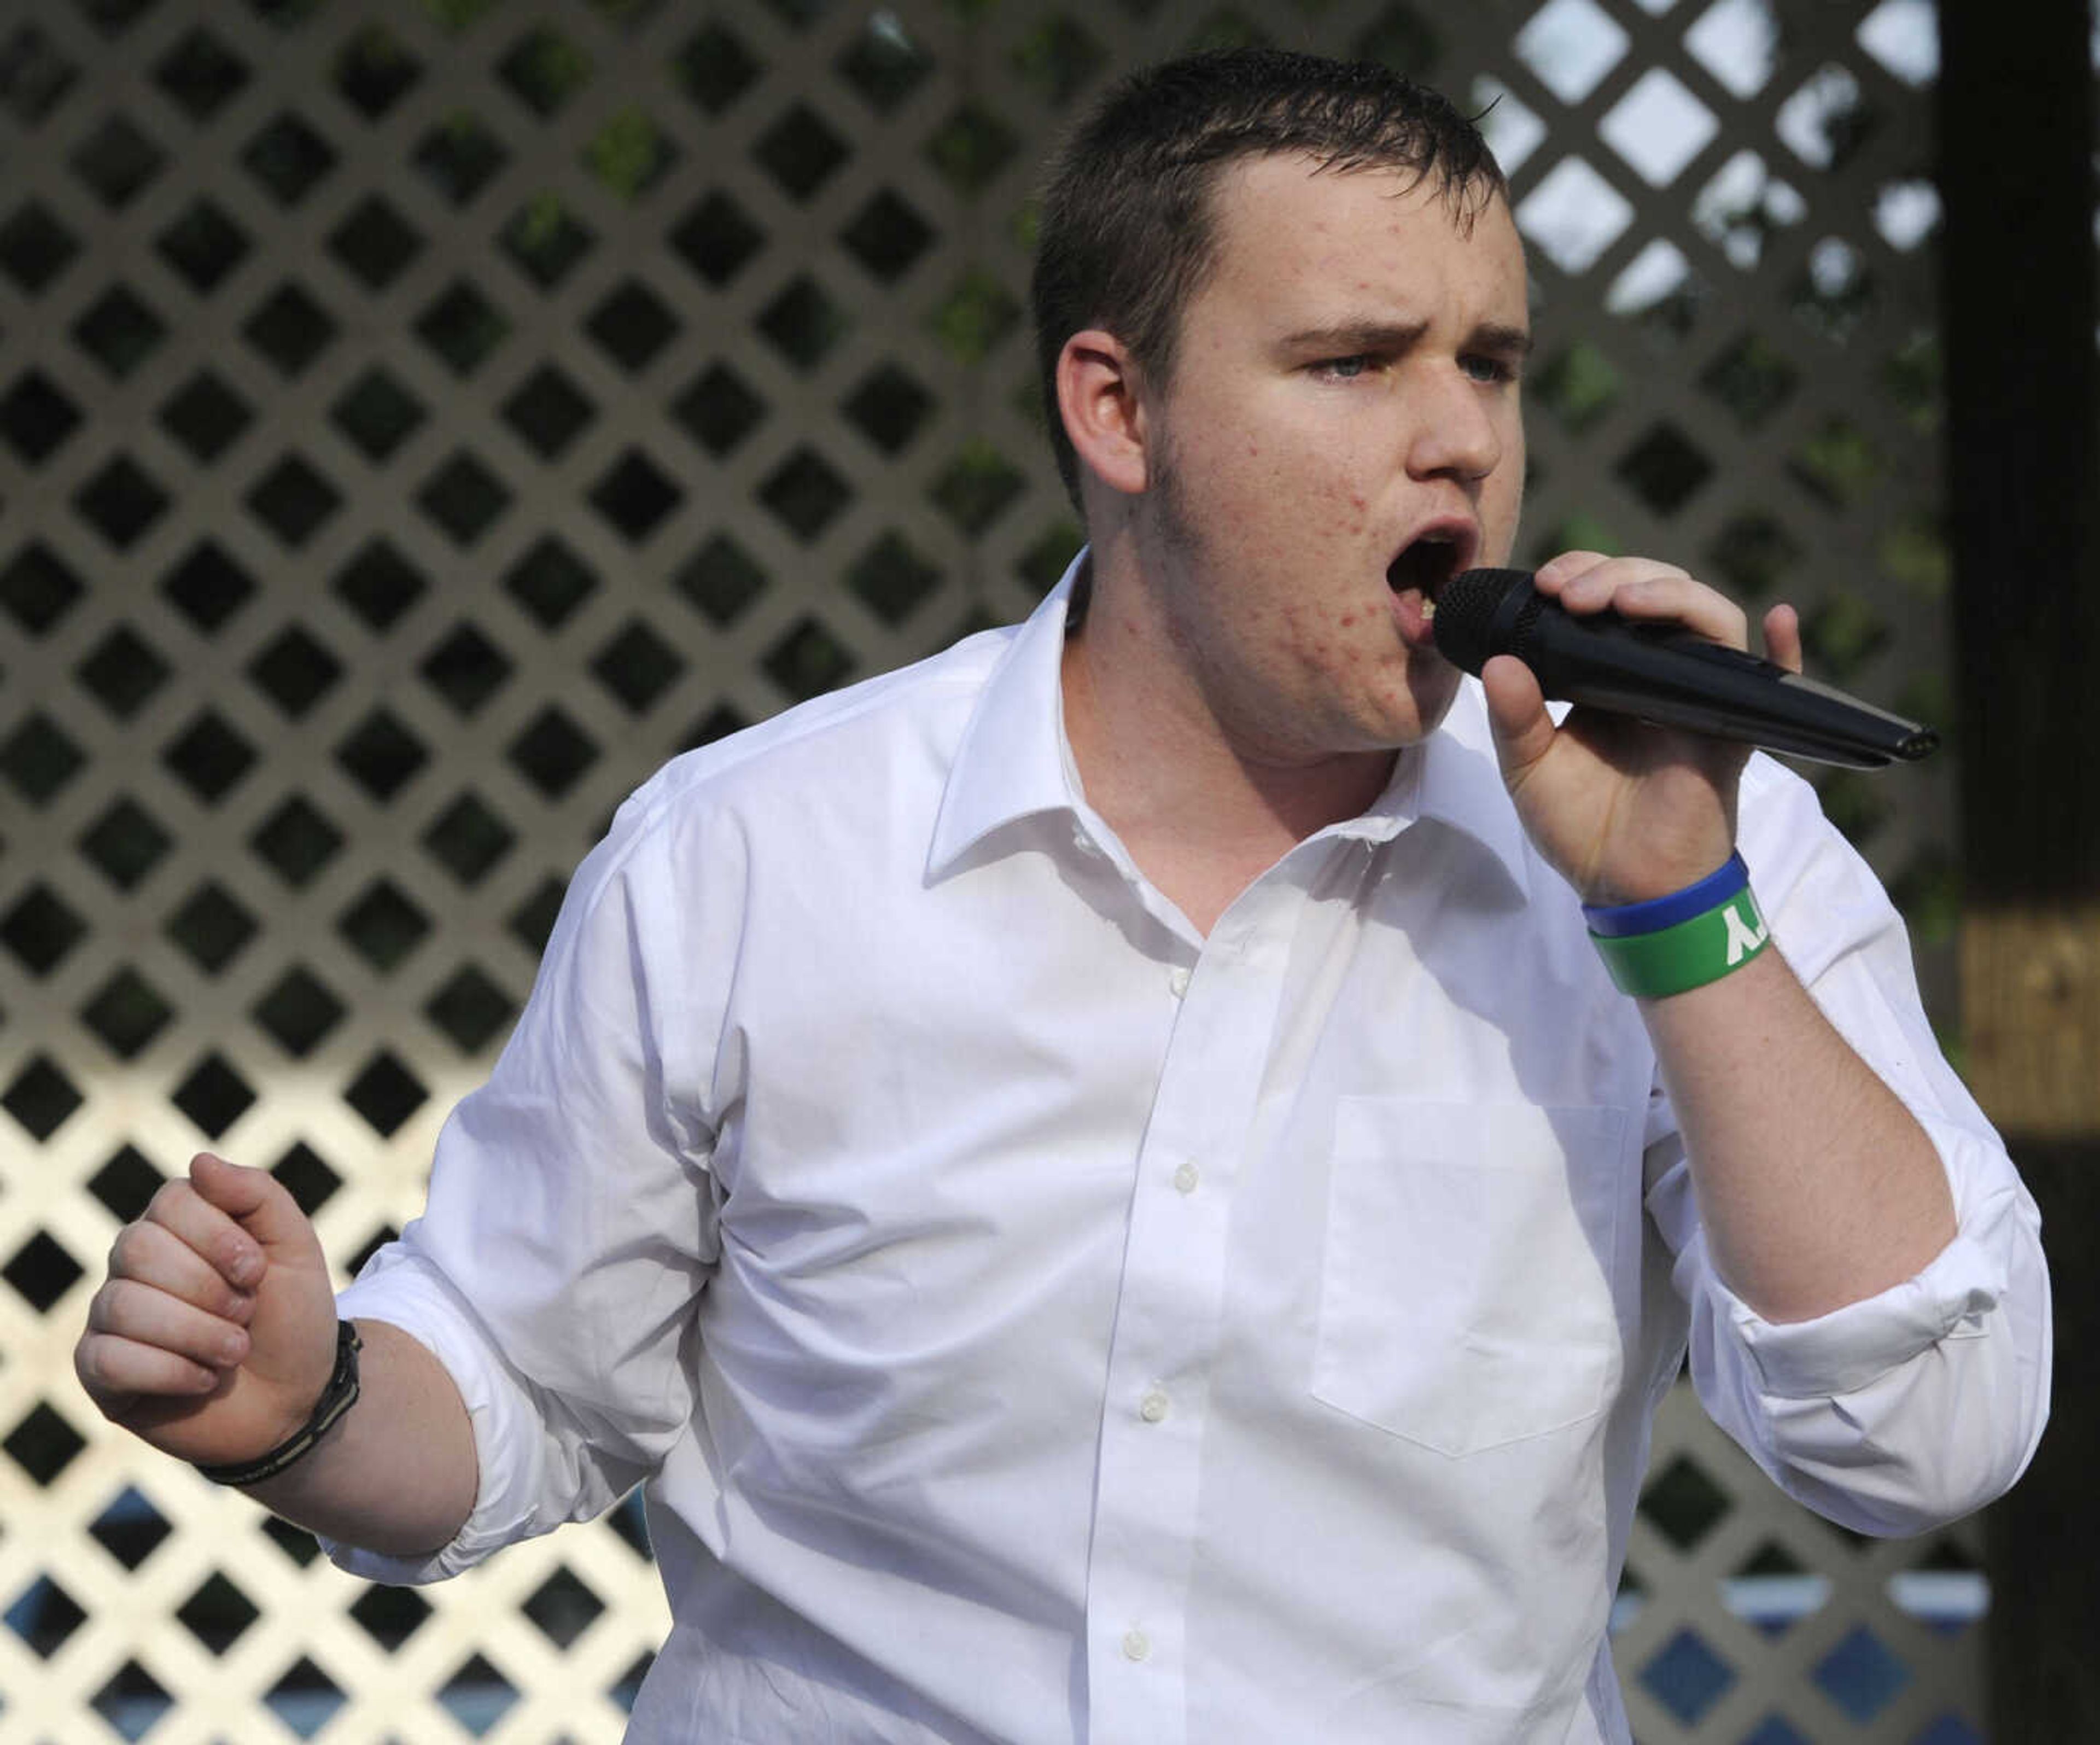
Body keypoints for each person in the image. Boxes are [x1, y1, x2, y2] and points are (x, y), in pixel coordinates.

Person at [74, 48, 2046, 1744]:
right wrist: (302, 1401)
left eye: (1491, 366)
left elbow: (1928, 1439)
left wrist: (1680, 906)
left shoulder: (1699, 854)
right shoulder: (761, 852)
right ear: (1117, 411)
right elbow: (514, 1386)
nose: (1460, 437)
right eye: (1355, 362)